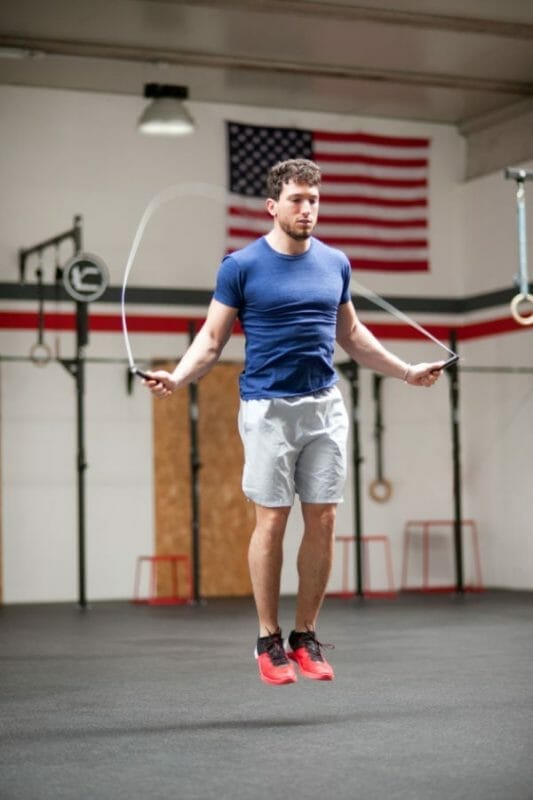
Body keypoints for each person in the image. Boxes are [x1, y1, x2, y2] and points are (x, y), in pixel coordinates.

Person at [142, 158, 445, 686]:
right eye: (298, 200)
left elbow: (352, 337)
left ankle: (305, 636)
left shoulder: (336, 264)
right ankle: (267, 639)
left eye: (314, 200)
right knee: (273, 521)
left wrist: (405, 371)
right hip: (267, 410)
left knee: (323, 520)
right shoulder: (240, 267)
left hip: (325, 406)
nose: (308, 209)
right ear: (273, 206)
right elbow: (212, 340)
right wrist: (179, 377)